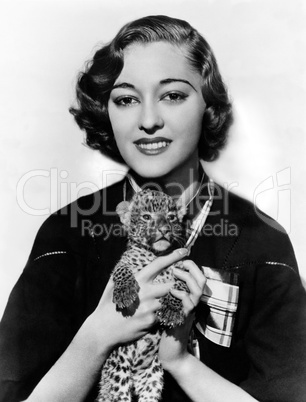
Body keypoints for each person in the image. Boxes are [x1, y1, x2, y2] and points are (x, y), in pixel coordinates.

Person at [0, 15, 305, 402]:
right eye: (126, 99)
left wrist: (182, 362)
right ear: (106, 112)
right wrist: (97, 336)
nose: (148, 121)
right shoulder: (65, 233)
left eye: (173, 95)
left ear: (206, 104)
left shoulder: (262, 241)